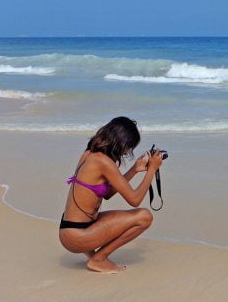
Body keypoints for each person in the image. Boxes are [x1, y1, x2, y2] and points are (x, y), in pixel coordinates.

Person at [59, 116, 164, 273]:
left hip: (71, 230)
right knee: (144, 217)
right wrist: (151, 170)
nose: (128, 151)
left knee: (138, 215)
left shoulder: (90, 154)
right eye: (129, 147)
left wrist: (135, 170)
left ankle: (95, 256)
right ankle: (98, 259)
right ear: (121, 141)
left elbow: (106, 194)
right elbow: (134, 200)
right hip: (77, 236)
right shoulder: (103, 161)